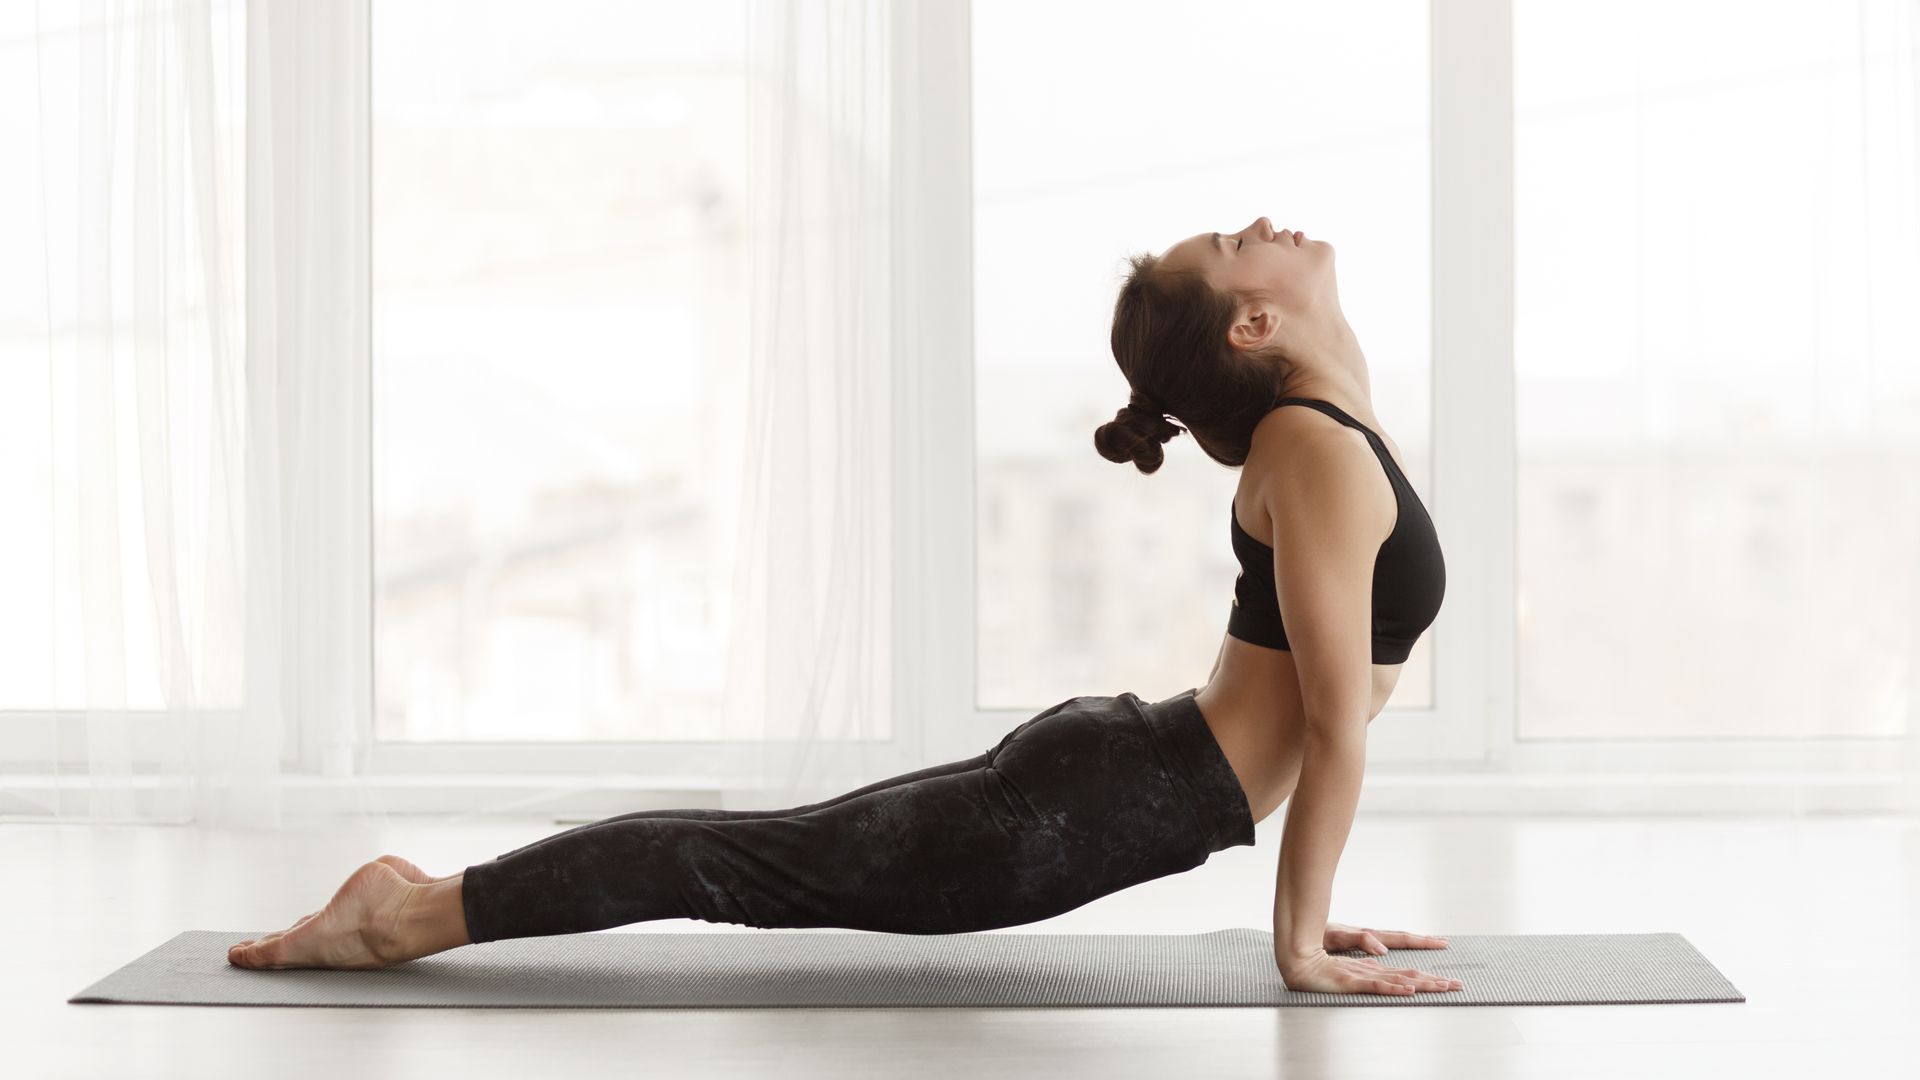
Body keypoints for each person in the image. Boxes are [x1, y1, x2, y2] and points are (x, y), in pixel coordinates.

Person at [228, 216, 1461, 998]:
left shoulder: (1323, 435)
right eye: (1237, 244)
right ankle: (402, 921)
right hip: (1091, 803)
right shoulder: (1312, 446)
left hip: (1114, 779)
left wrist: (1309, 913)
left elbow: (1310, 719)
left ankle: (418, 898)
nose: (1260, 226)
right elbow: (1336, 726)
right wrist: (1296, 947)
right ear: (1255, 320)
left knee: (755, 851)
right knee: (738, 863)